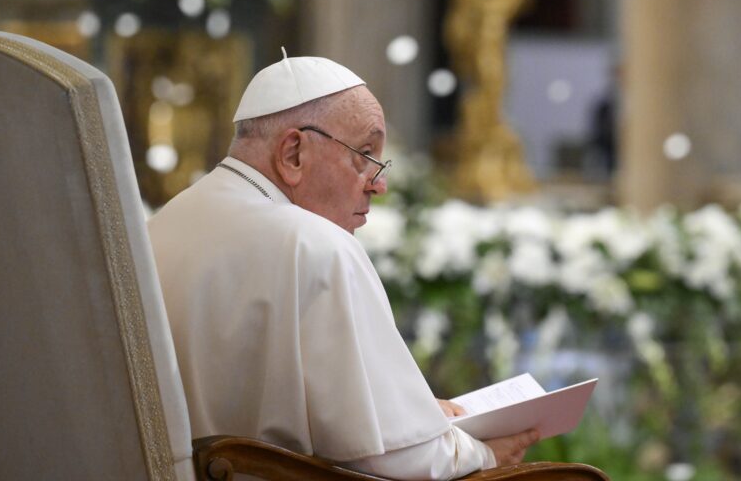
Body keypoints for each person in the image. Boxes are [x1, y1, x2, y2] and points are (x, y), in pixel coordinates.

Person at [148, 53, 537, 480]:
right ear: (293, 153)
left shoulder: (159, 226)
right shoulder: (315, 244)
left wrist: (421, 416)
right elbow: (396, 460)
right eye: (364, 154)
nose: (379, 183)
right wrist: (483, 453)